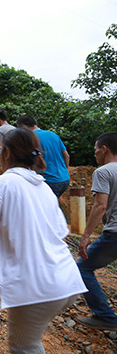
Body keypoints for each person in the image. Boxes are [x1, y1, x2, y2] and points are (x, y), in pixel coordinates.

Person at [0, 128, 87, 353]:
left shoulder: (0, 184)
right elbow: (59, 232)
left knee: (23, 346)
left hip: (36, 285)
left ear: (6, 154)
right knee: (30, 340)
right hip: (67, 280)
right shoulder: (43, 187)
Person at [76, 132, 117, 331]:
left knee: (82, 267)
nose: (95, 155)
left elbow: (100, 206)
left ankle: (105, 316)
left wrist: (85, 237)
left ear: (104, 149)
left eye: (95, 150)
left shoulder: (103, 172)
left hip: (114, 234)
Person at [16, 115, 70, 198]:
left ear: (23, 127)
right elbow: (66, 156)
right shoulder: (53, 135)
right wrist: (64, 171)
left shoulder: (30, 138)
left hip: (49, 181)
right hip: (65, 179)